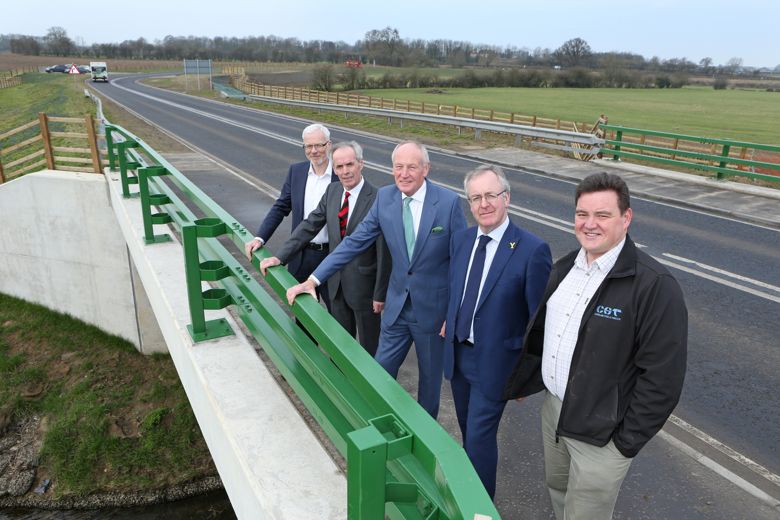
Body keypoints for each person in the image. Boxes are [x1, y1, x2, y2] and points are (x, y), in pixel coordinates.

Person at [504, 172, 687, 519]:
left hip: (603, 435)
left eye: (602, 215)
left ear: (626, 218)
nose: (590, 224)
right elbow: (546, 333)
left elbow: (663, 379)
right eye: (581, 214)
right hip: (555, 413)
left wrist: (623, 444)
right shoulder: (566, 267)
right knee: (559, 495)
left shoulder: (654, 286)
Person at [286, 140, 467, 418]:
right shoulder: (386, 198)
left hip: (433, 312)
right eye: (398, 167)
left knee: (429, 387)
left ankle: (423, 445)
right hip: (396, 310)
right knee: (379, 376)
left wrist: (453, 312)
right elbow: (353, 242)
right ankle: (378, 429)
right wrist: (314, 280)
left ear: (426, 169)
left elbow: (461, 263)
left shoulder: (448, 203)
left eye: (412, 167)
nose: (404, 174)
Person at [442, 165, 551, 499]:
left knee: (478, 439)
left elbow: (540, 321)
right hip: (459, 356)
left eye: (490, 195)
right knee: (468, 433)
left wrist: (525, 376)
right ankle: (471, 496)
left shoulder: (533, 250)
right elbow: (456, 289)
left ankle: (479, 507)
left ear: (507, 198)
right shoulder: (461, 240)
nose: (483, 204)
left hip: (497, 365)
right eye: (476, 197)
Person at [258, 141, 391, 356]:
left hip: (364, 287)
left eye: (350, 165)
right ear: (334, 169)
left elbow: (384, 251)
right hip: (335, 282)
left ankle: (366, 389)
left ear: (361, 164)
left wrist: (380, 293)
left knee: (369, 348)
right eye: (339, 167)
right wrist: (280, 257)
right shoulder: (333, 190)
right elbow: (310, 225)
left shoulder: (378, 198)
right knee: (339, 343)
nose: (345, 171)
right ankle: (341, 381)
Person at [244, 123, 337, 308]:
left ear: (329, 145)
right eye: (308, 146)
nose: (314, 151)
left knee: (338, 317)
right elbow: (281, 207)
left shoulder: (340, 174)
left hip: (332, 256)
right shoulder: (297, 172)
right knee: (303, 315)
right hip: (300, 255)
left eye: (319, 145)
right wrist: (260, 237)